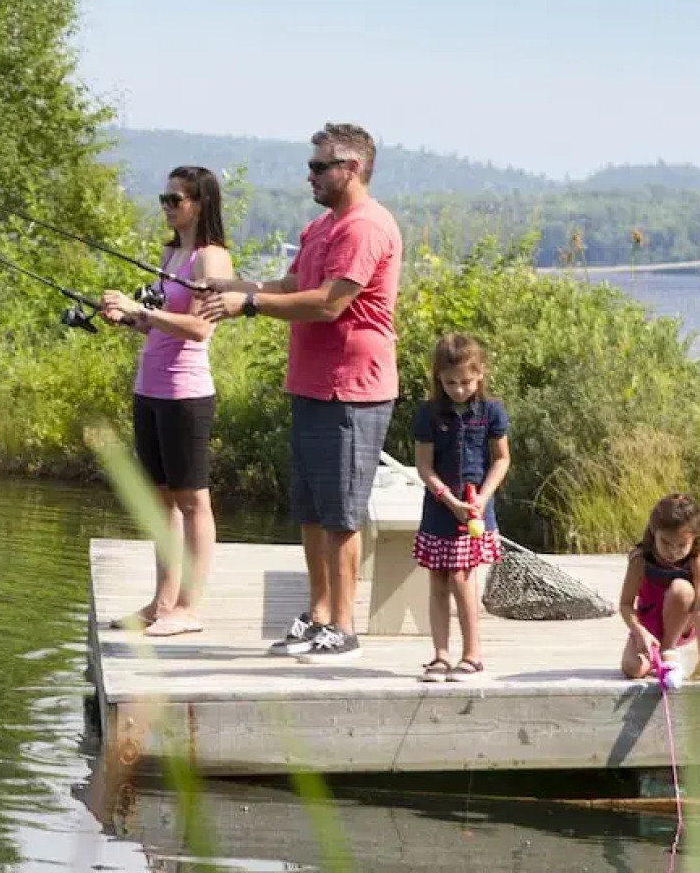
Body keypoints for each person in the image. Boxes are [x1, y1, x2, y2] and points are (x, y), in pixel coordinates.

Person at [199, 123, 402, 662]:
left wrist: (250, 306)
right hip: (311, 387)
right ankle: (318, 616)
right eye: (310, 165)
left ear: (350, 169)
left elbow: (329, 304)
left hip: (351, 392)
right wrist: (235, 288)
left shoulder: (365, 227)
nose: (308, 175)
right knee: (311, 512)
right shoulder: (321, 227)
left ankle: (345, 627)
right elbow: (292, 286)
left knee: (341, 516)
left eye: (319, 167)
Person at [100, 166, 234, 637]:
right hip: (150, 387)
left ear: (199, 203)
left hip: (186, 393)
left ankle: (189, 607)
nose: (167, 206)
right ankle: (162, 603)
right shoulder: (171, 254)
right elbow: (158, 321)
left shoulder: (210, 260)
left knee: (193, 500)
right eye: (164, 198)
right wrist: (129, 318)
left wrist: (144, 310)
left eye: (175, 199)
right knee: (161, 503)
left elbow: (201, 327)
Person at [411, 334, 509, 683]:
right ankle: (439, 655)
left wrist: (480, 498)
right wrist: (446, 498)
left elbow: (501, 460)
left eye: (465, 382)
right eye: (450, 382)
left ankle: (472, 655)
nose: (458, 389)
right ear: (438, 378)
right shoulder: (428, 414)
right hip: (441, 508)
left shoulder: (491, 412)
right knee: (438, 580)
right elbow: (424, 465)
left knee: (462, 578)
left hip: (475, 510)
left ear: (480, 374)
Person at [618, 493, 700, 681]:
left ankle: (668, 648)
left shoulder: (697, 560)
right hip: (649, 624)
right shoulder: (640, 560)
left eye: (681, 545)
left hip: (681, 623)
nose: (672, 551)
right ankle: (658, 656)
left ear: (694, 538)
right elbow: (625, 604)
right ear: (654, 532)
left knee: (682, 589)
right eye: (666, 543)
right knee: (632, 668)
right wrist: (641, 633)